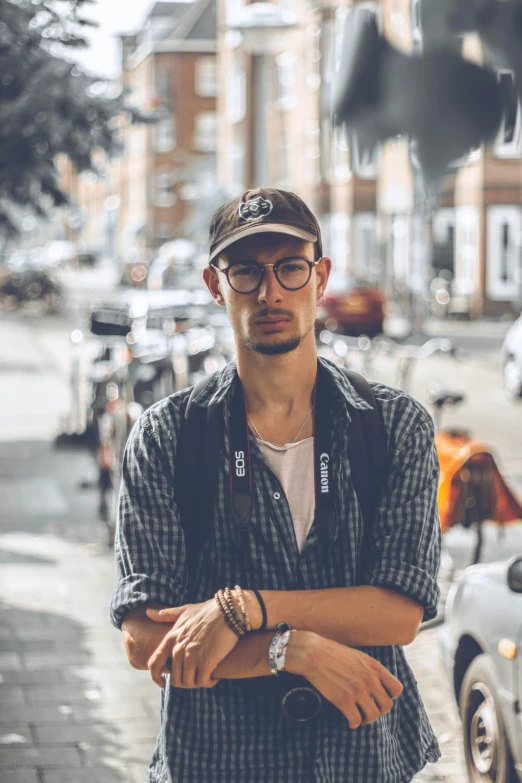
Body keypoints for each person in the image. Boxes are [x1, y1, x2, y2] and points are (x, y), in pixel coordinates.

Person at [110, 188, 442, 783]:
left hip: (360, 758)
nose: (271, 292)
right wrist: (292, 650)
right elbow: (143, 638)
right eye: (246, 271)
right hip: (218, 762)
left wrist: (240, 610)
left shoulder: (393, 426)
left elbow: (398, 612)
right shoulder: (168, 437)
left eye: (290, 267)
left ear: (320, 276)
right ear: (216, 285)